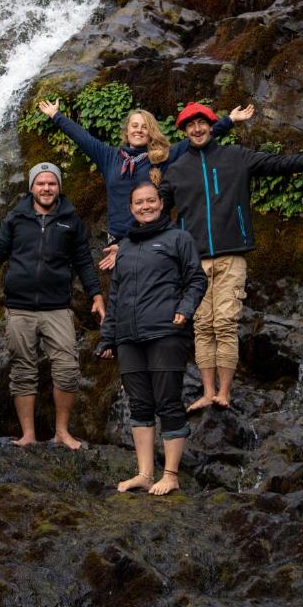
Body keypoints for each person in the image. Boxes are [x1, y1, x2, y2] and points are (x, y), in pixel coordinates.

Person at [159, 102, 303, 411]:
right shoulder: (176, 170)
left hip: (231, 255)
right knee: (202, 326)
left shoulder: (236, 156)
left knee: (224, 323)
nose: (197, 129)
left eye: (202, 123)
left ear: (211, 125)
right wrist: (129, 242)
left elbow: (277, 164)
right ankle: (207, 392)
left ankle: (224, 393)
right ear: (184, 131)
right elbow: (156, 212)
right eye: (190, 125)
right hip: (193, 261)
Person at [37, 99, 254, 269]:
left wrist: (229, 120)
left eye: (144, 127)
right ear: (127, 131)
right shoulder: (108, 156)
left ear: (151, 132)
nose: (139, 130)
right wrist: (56, 115)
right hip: (116, 240)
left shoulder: (162, 157)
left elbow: (196, 137)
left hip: (152, 235)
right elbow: (82, 137)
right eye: (134, 126)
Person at [97, 181, 207, 495]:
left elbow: (197, 279)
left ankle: (170, 475)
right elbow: (115, 295)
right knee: (139, 404)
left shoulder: (178, 238)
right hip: (128, 337)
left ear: (160, 204)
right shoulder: (126, 246)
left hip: (165, 332)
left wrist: (185, 309)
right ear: (131, 208)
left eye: (150, 201)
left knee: (168, 402)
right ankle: (145, 474)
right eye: (139, 202)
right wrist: (107, 338)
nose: (145, 206)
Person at [0, 161, 106, 449]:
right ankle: (28, 434)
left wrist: (96, 294)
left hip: (57, 307)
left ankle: (62, 432)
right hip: (19, 307)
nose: (46, 188)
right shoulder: (15, 218)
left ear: (59, 187)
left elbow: (83, 261)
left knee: (67, 368)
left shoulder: (70, 220)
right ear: (32, 187)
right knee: (22, 370)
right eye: (40, 183)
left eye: (51, 183)